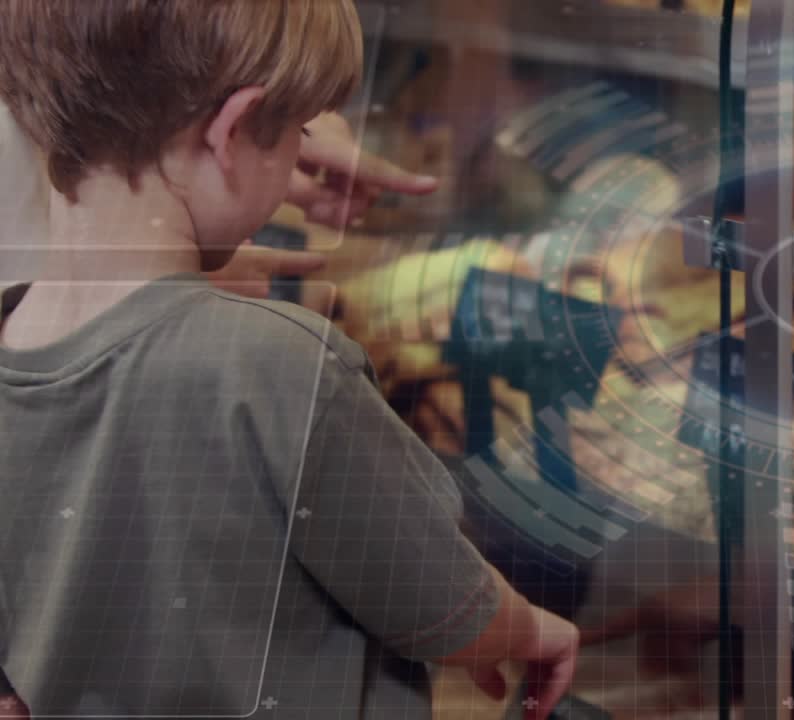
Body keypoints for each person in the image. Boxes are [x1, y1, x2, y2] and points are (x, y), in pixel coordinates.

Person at [0, 1, 577, 718]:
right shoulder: (286, 367)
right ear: (235, 129)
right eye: (300, 132)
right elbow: (438, 599)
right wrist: (528, 629)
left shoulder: (11, 344)